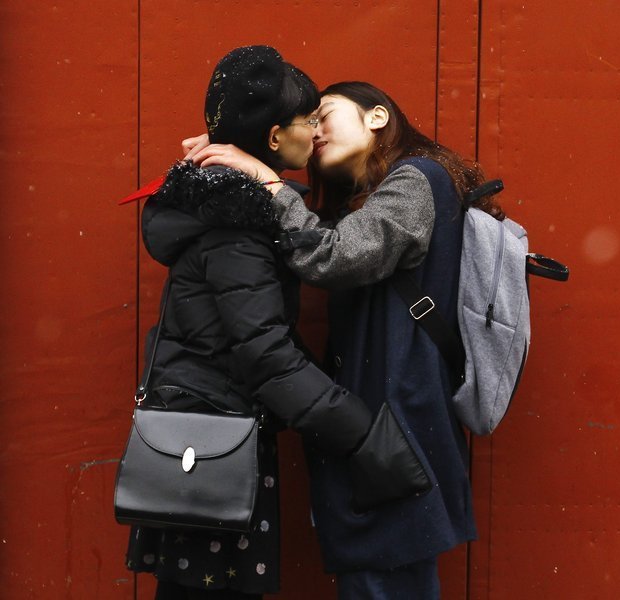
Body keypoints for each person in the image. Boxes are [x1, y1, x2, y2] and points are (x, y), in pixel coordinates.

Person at [126, 50, 426, 600]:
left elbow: (261, 337)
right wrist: (364, 438)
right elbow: (266, 353)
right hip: (212, 444)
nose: (317, 133)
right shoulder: (236, 223)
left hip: (209, 434)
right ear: (273, 137)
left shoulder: (229, 205)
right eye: (308, 120)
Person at [187, 81, 504, 599]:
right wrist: (245, 155)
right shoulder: (372, 198)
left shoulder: (417, 177)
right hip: (389, 422)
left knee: (386, 578)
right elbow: (322, 234)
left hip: (400, 422)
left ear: (376, 117)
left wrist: (265, 180)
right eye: (307, 122)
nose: (314, 130)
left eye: (324, 114)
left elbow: (334, 255)